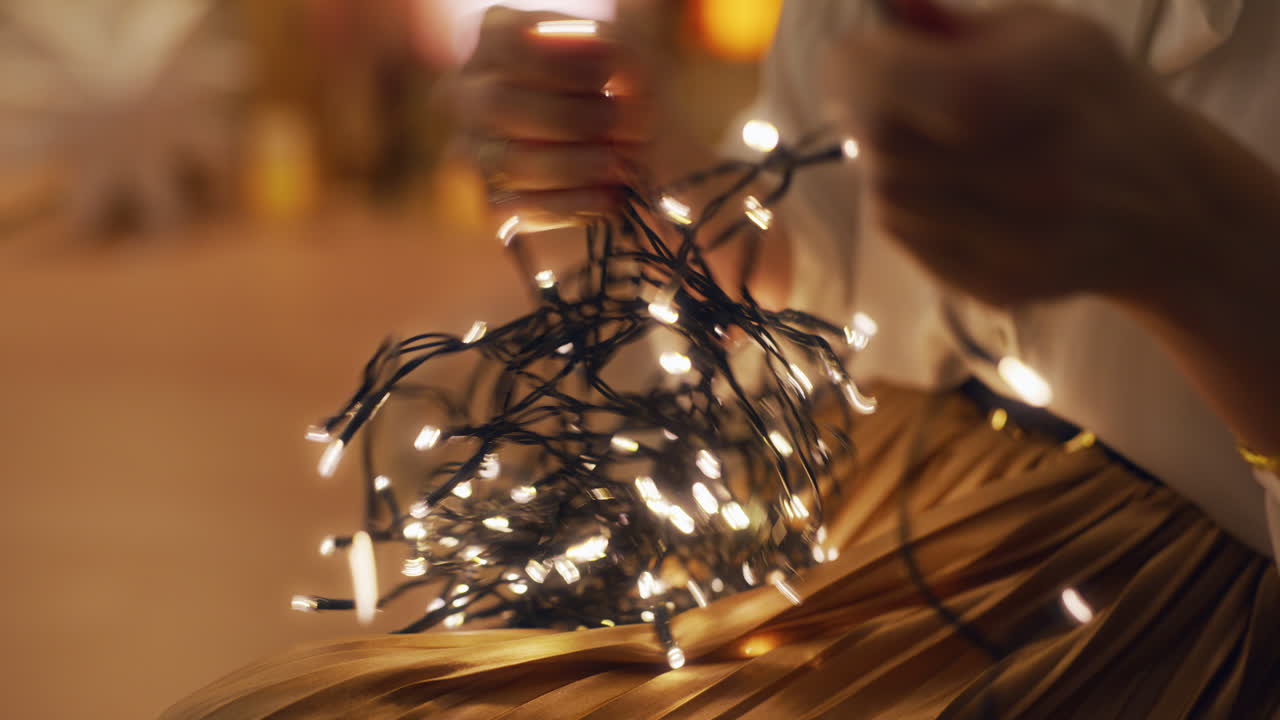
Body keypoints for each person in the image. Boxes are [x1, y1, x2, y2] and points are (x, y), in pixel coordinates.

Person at [166, 0, 1280, 716]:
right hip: (886, 516)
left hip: (1175, 614)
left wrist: (1205, 248)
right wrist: (665, 184)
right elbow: (848, 282)